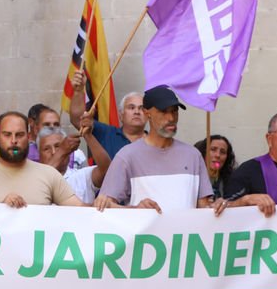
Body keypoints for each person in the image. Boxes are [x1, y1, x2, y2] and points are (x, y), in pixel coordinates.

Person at [94, 85, 224, 214]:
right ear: (147, 113)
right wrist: (136, 210)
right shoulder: (126, 156)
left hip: (183, 234)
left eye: (174, 111)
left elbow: (205, 208)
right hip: (145, 234)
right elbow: (104, 206)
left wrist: (218, 206)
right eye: (163, 111)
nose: (171, 118)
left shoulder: (193, 156)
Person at [0, 112, 84, 208]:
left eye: (20, 135)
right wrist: (0, 209)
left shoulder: (49, 174)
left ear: (29, 137)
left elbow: (83, 212)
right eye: (7, 135)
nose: (14, 140)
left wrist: (101, 204)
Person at [69, 72, 146, 159]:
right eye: (131, 108)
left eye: (141, 108)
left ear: (148, 115)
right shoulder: (106, 133)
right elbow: (78, 119)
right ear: (121, 115)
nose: (137, 111)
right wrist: (78, 91)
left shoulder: (155, 141)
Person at [194, 135, 236, 199]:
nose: (218, 155)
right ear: (203, 152)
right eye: (213, 149)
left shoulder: (231, 180)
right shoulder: (193, 177)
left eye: (223, 152)